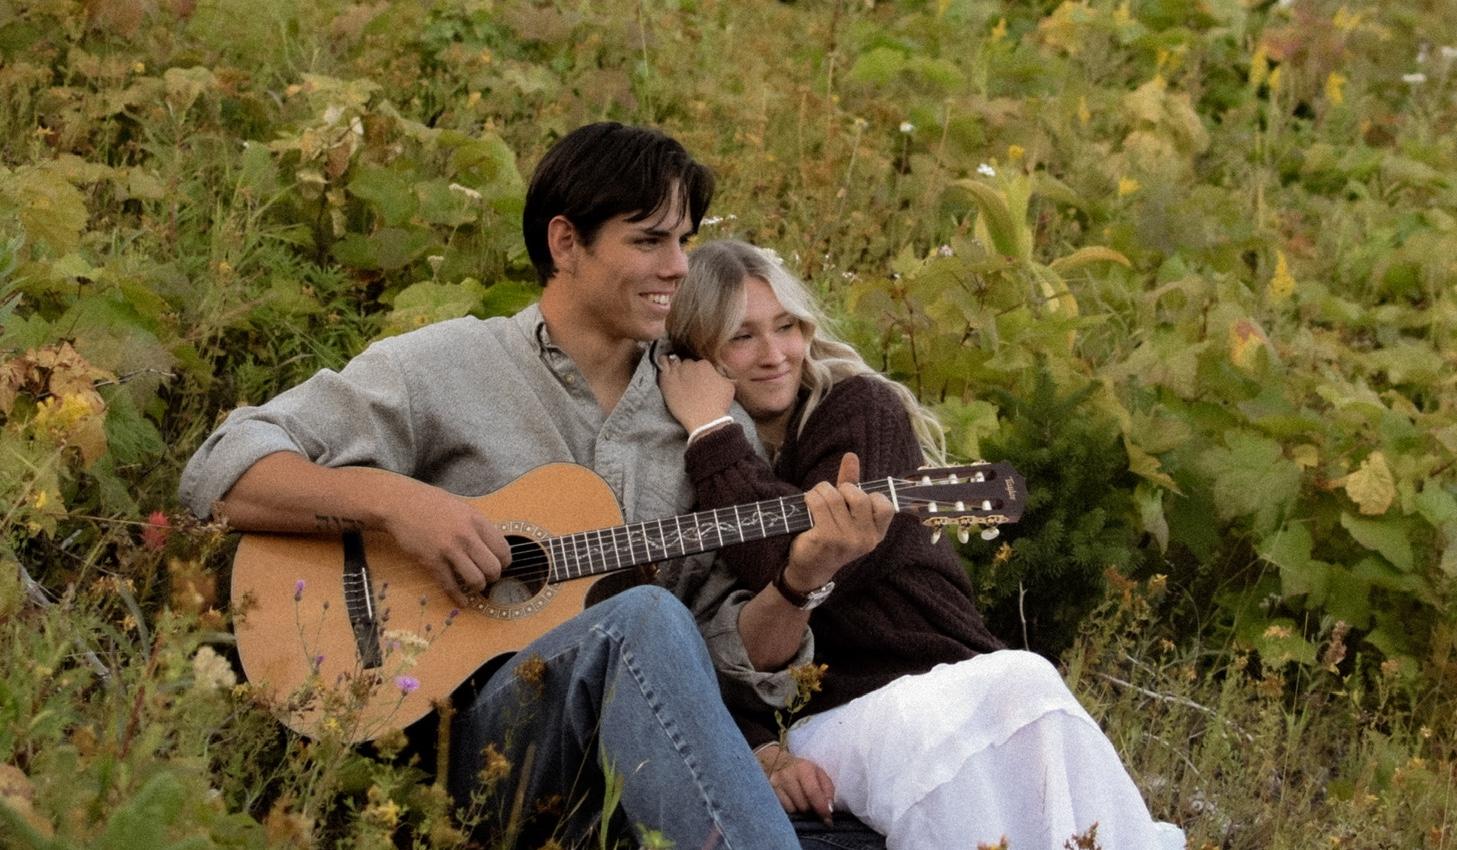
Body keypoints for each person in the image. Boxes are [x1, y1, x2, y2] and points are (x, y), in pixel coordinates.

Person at [180, 124, 893, 849]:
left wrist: (800, 583)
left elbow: (728, 657)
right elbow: (224, 469)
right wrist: (398, 503)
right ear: (565, 242)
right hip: (449, 748)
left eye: (684, 240)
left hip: (624, 773)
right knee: (640, 618)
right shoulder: (451, 363)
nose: (679, 267)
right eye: (649, 240)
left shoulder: (704, 414)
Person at [659, 239, 1187, 850]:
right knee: (973, 703)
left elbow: (813, 555)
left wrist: (711, 434)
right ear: (698, 356)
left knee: (1026, 682)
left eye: (786, 327)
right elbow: (767, 579)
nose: (775, 354)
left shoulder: (858, 409)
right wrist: (710, 433)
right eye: (742, 337)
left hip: (946, 673)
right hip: (831, 714)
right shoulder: (683, 457)